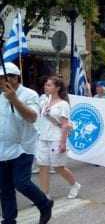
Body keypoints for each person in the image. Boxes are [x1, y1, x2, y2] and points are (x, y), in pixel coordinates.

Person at [0, 62, 53, 224]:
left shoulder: (30, 94)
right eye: (2, 77)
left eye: (9, 77)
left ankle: (44, 204)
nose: (5, 80)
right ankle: (9, 220)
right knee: (5, 188)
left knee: (21, 183)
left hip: (23, 147)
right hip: (2, 148)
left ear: (17, 78)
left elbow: (32, 117)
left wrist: (14, 99)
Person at [37, 76, 81, 199]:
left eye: (49, 85)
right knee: (43, 166)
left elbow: (65, 125)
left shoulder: (63, 104)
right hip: (43, 137)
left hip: (56, 138)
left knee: (58, 167)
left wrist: (63, 143)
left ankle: (75, 185)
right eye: (46, 84)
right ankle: (44, 195)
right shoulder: (45, 101)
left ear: (57, 88)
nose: (46, 86)